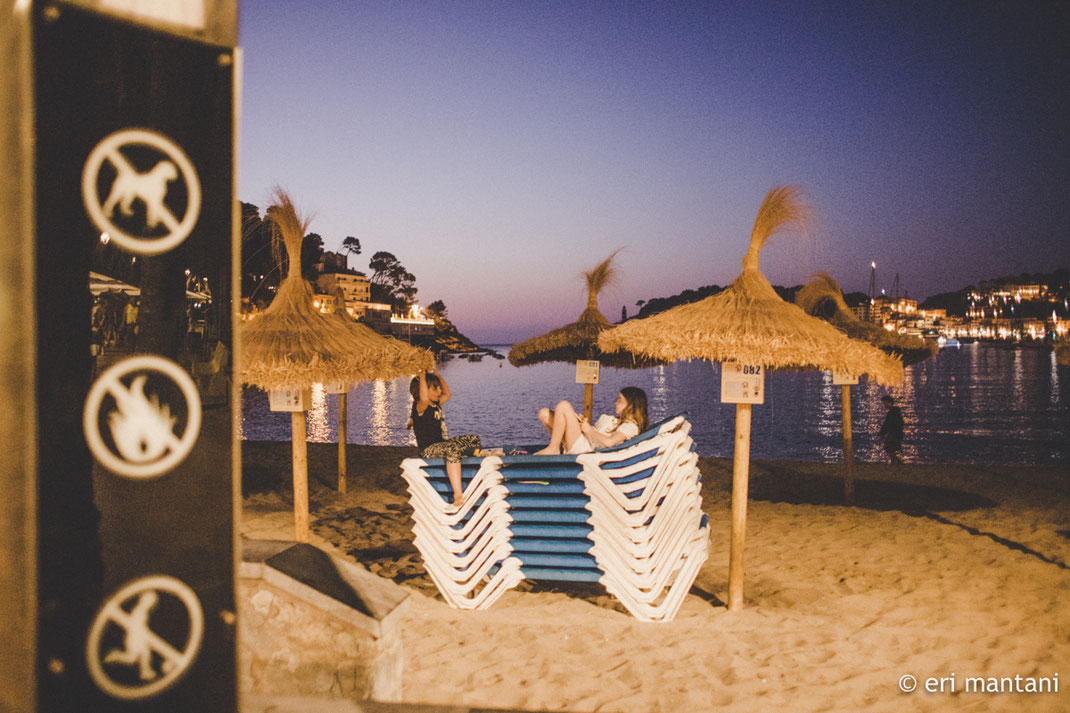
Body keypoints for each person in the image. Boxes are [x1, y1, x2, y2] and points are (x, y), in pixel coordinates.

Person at [408, 370, 482, 509]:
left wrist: (437, 375)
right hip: (429, 449)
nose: (439, 390)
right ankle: (458, 493)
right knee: (453, 449)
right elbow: (424, 398)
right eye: (435, 388)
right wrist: (423, 375)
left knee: (473, 439)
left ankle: (472, 458)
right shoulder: (420, 406)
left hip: (443, 444)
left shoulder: (436, 404)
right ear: (423, 389)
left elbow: (448, 394)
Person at [534, 387, 648, 456]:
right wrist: (584, 425)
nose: (616, 403)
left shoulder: (631, 426)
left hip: (584, 449)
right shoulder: (621, 421)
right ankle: (557, 447)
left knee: (563, 406)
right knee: (544, 413)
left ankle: (553, 448)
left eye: (620, 400)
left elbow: (609, 442)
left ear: (631, 405)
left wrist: (588, 429)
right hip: (584, 442)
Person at [878, 394, 904, 463]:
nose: (884, 405)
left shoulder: (892, 412)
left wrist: (883, 432)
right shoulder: (896, 412)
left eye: (885, 403)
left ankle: (896, 460)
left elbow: (888, 424)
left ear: (890, 403)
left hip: (893, 433)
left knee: (889, 447)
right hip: (896, 433)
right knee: (893, 447)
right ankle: (896, 460)